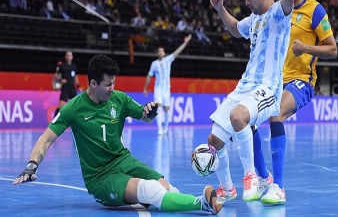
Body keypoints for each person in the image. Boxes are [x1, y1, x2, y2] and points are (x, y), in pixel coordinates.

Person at [13, 54, 221, 215]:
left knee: (167, 188)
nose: (113, 88)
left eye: (114, 82)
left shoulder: (119, 99)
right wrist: (32, 165)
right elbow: (45, 139)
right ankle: (202, 204)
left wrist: (150, 112)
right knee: (149, 190)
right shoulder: (73, 108)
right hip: (100, 177)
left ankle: (194, 202)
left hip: (123, 160)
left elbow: (144, 116)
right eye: (108, 84)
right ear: (93, 83)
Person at [207, 0, 294, 204]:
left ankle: (251, 177)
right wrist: (221, 9)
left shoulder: (279, 13)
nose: (246, 2)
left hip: (267, 89)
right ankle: (227, 188)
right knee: (214, 139)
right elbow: (234, 29)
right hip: (244, 87)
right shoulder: (254, 19)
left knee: (238, 118)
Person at [252, 0, 337, 205]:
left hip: (301, 81)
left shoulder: (315, 10)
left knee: (275, 113)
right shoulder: (280, 9)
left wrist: (306, 48)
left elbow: (332, 49)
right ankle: (263, 178)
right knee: (247, 122)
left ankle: (278, 187)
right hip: (274, 81)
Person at [143, 34, 192, 135]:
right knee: (158, 107)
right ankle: (159, 129)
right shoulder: (154, 64)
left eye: (162, 51)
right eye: (159, 51)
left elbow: (177, 52)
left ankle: (165, 127)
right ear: (157, 53)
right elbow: (149, 76)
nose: (160, 52)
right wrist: (145, 88)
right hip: (158, 89)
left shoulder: (168, 60)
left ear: (164, 52)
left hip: (166, 89)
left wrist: (185, 43)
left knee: (166, 109)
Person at [53, 51, 82, 118]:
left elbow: (75, 77)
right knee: (61, 105)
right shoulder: (62, 65)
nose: (69, 57)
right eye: (68, 55)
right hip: (65, 87)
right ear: (65, 57)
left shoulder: (74, 66)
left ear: (72, 57)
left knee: (76, 105)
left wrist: (78, 86)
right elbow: (56, 75)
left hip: (72, 87)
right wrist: (60, 80)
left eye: (70, 56)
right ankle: (54, 121)